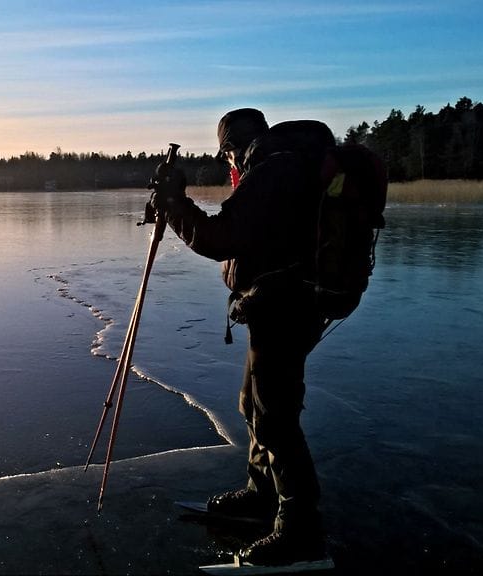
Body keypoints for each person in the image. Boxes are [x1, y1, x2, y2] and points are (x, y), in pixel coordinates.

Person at [149, 108, 335, 567]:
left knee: (275, 415)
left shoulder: (275, 171)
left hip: (287, 306)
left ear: (232, 147)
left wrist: (175, 203)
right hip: (278, 302)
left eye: (227, 155)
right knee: (253, 405)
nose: (229, 165)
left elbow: (221, 236)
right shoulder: (280, 166)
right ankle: (261, 496)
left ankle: (301, 533)